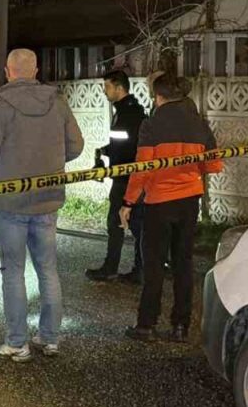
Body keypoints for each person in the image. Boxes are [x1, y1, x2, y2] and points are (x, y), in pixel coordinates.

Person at [0, 48, 84, 360]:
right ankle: (50, 338)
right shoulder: (57, 101)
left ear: (8, 72)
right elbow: (76, 145)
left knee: (13, 271)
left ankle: (17, 342)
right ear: (36, 71)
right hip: (48, 199)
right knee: (48, 269)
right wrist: (50, 162)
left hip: (10, 202)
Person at [121, 72, 222, 344]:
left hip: (159, 203)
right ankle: (180, 326)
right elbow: (213, 165)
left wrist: (128, 202)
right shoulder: (200, 124)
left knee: (154, 265)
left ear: (159, 97)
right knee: (183, 263)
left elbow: (142, 169)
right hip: (189, 201)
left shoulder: (152, 124)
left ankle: (147, 324)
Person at [86, 70, 148, 283]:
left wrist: (112, 157)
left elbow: (127, 148)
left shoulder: (128, 114)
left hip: (126, 178)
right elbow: (120, 144)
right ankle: (138, 270)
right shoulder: (127, 110)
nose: (105, 92)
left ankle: (112, 268)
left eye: (107, 87)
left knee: (119, 223)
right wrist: (104, 152)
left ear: (119, 88)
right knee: (135, 225)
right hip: (127, 176)